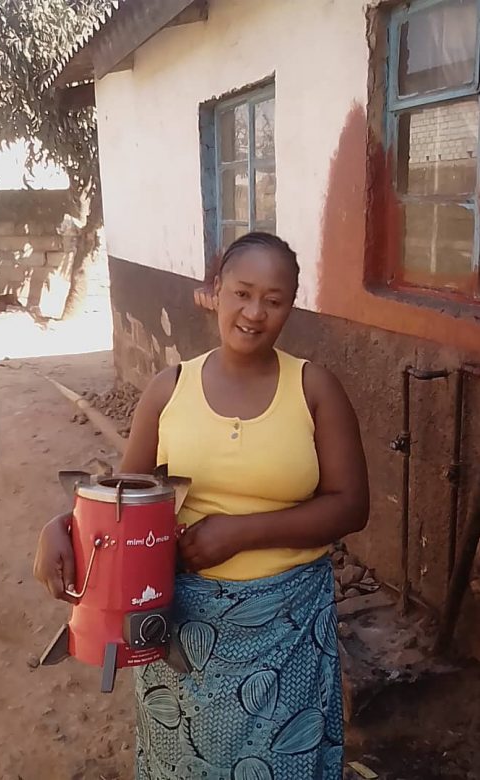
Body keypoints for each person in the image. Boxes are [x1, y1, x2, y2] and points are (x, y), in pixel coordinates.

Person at [34, 232, 369, 780]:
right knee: (182, 761)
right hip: (179, 622)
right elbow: (126, 500)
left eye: (274, 300)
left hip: (286, 628)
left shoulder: (314, 389)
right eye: (241, 292)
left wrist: (241, 533)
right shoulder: (169, 389)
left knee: (283, 761)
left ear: (291, 305)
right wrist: (61, 526)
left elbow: (351, 506)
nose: (254, 312)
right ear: (215, 291)